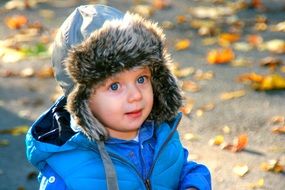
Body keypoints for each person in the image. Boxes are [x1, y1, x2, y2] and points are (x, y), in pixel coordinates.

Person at [26, 4, 211, 190]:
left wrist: (193, 185)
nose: (136, 95)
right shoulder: (67, 170)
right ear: (83, 99)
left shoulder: (160, 133)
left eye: (141, 79)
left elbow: (182, 170)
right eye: (115, 86)